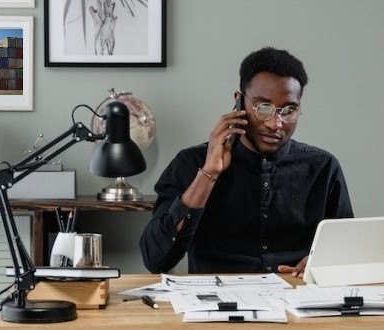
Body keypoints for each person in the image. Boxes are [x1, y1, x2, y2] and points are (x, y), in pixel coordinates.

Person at [139, 47, 354, 276]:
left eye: (289, 109)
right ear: (239, 102)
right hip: (216, 304)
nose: (275, 123)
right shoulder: (190, 163)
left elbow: (347, 252)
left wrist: (321, 263)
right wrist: (209, 173)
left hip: (297, 301)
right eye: (263, 107)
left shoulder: (323, 168)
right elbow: (156, 259)